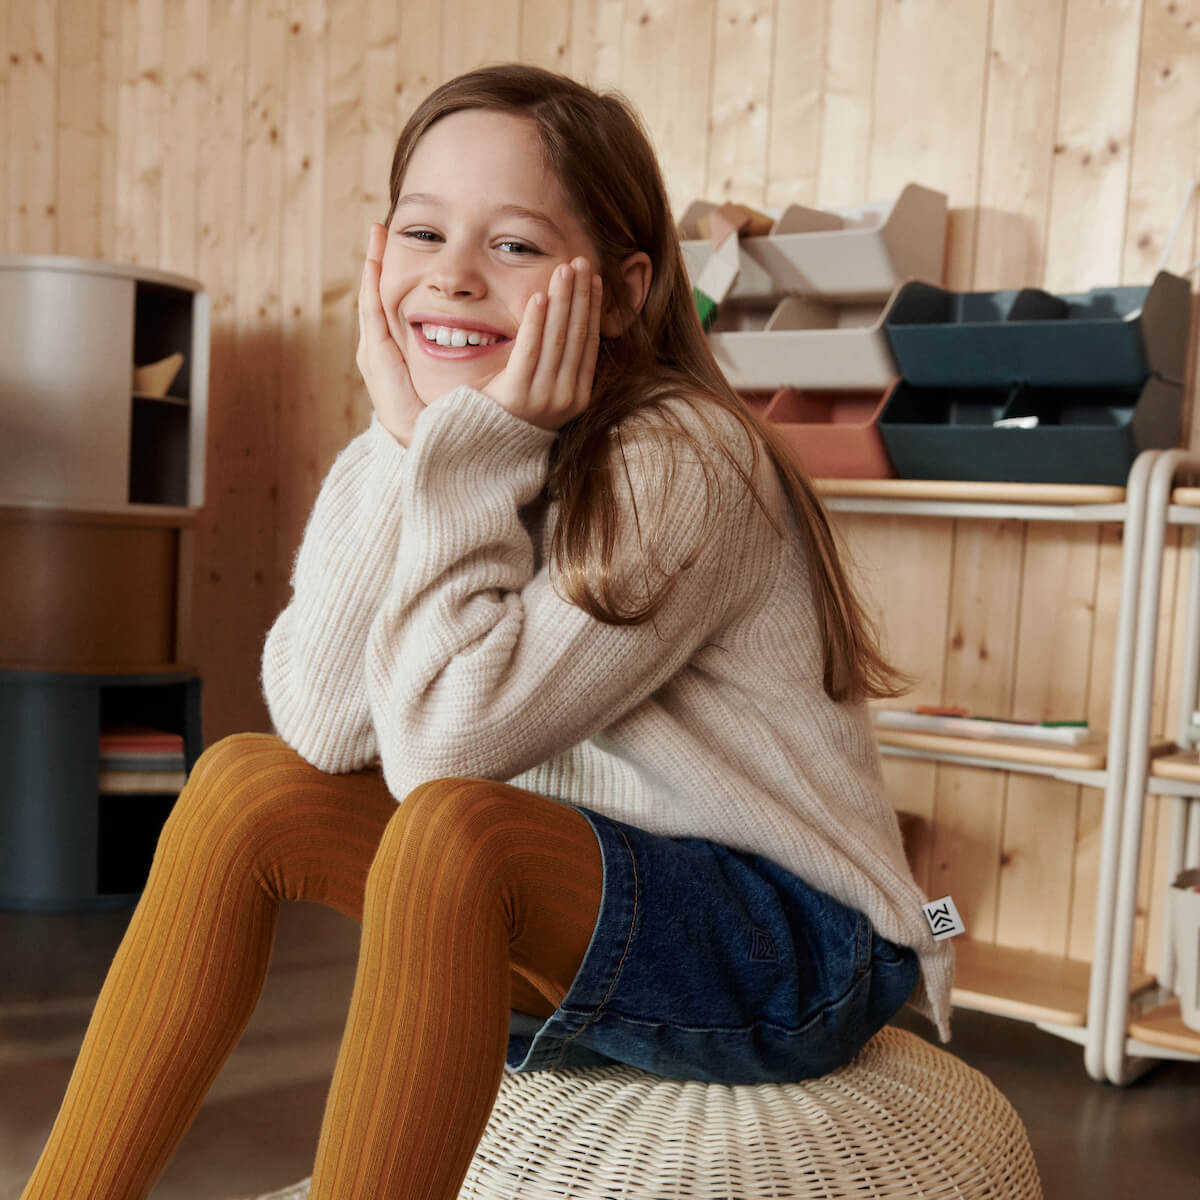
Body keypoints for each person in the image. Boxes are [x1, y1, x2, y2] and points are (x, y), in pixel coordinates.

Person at [22, 63, 952, 1200]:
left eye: (512, 246)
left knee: (455, 827)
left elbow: (438, 759)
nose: (452, 278)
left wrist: (472, 453)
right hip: (582, 894)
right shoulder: (451, 441)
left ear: (618, 293)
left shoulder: (682, 463)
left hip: (790, 944)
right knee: (241, 788)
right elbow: (319, 721)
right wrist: (405, 441)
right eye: (423, 231)